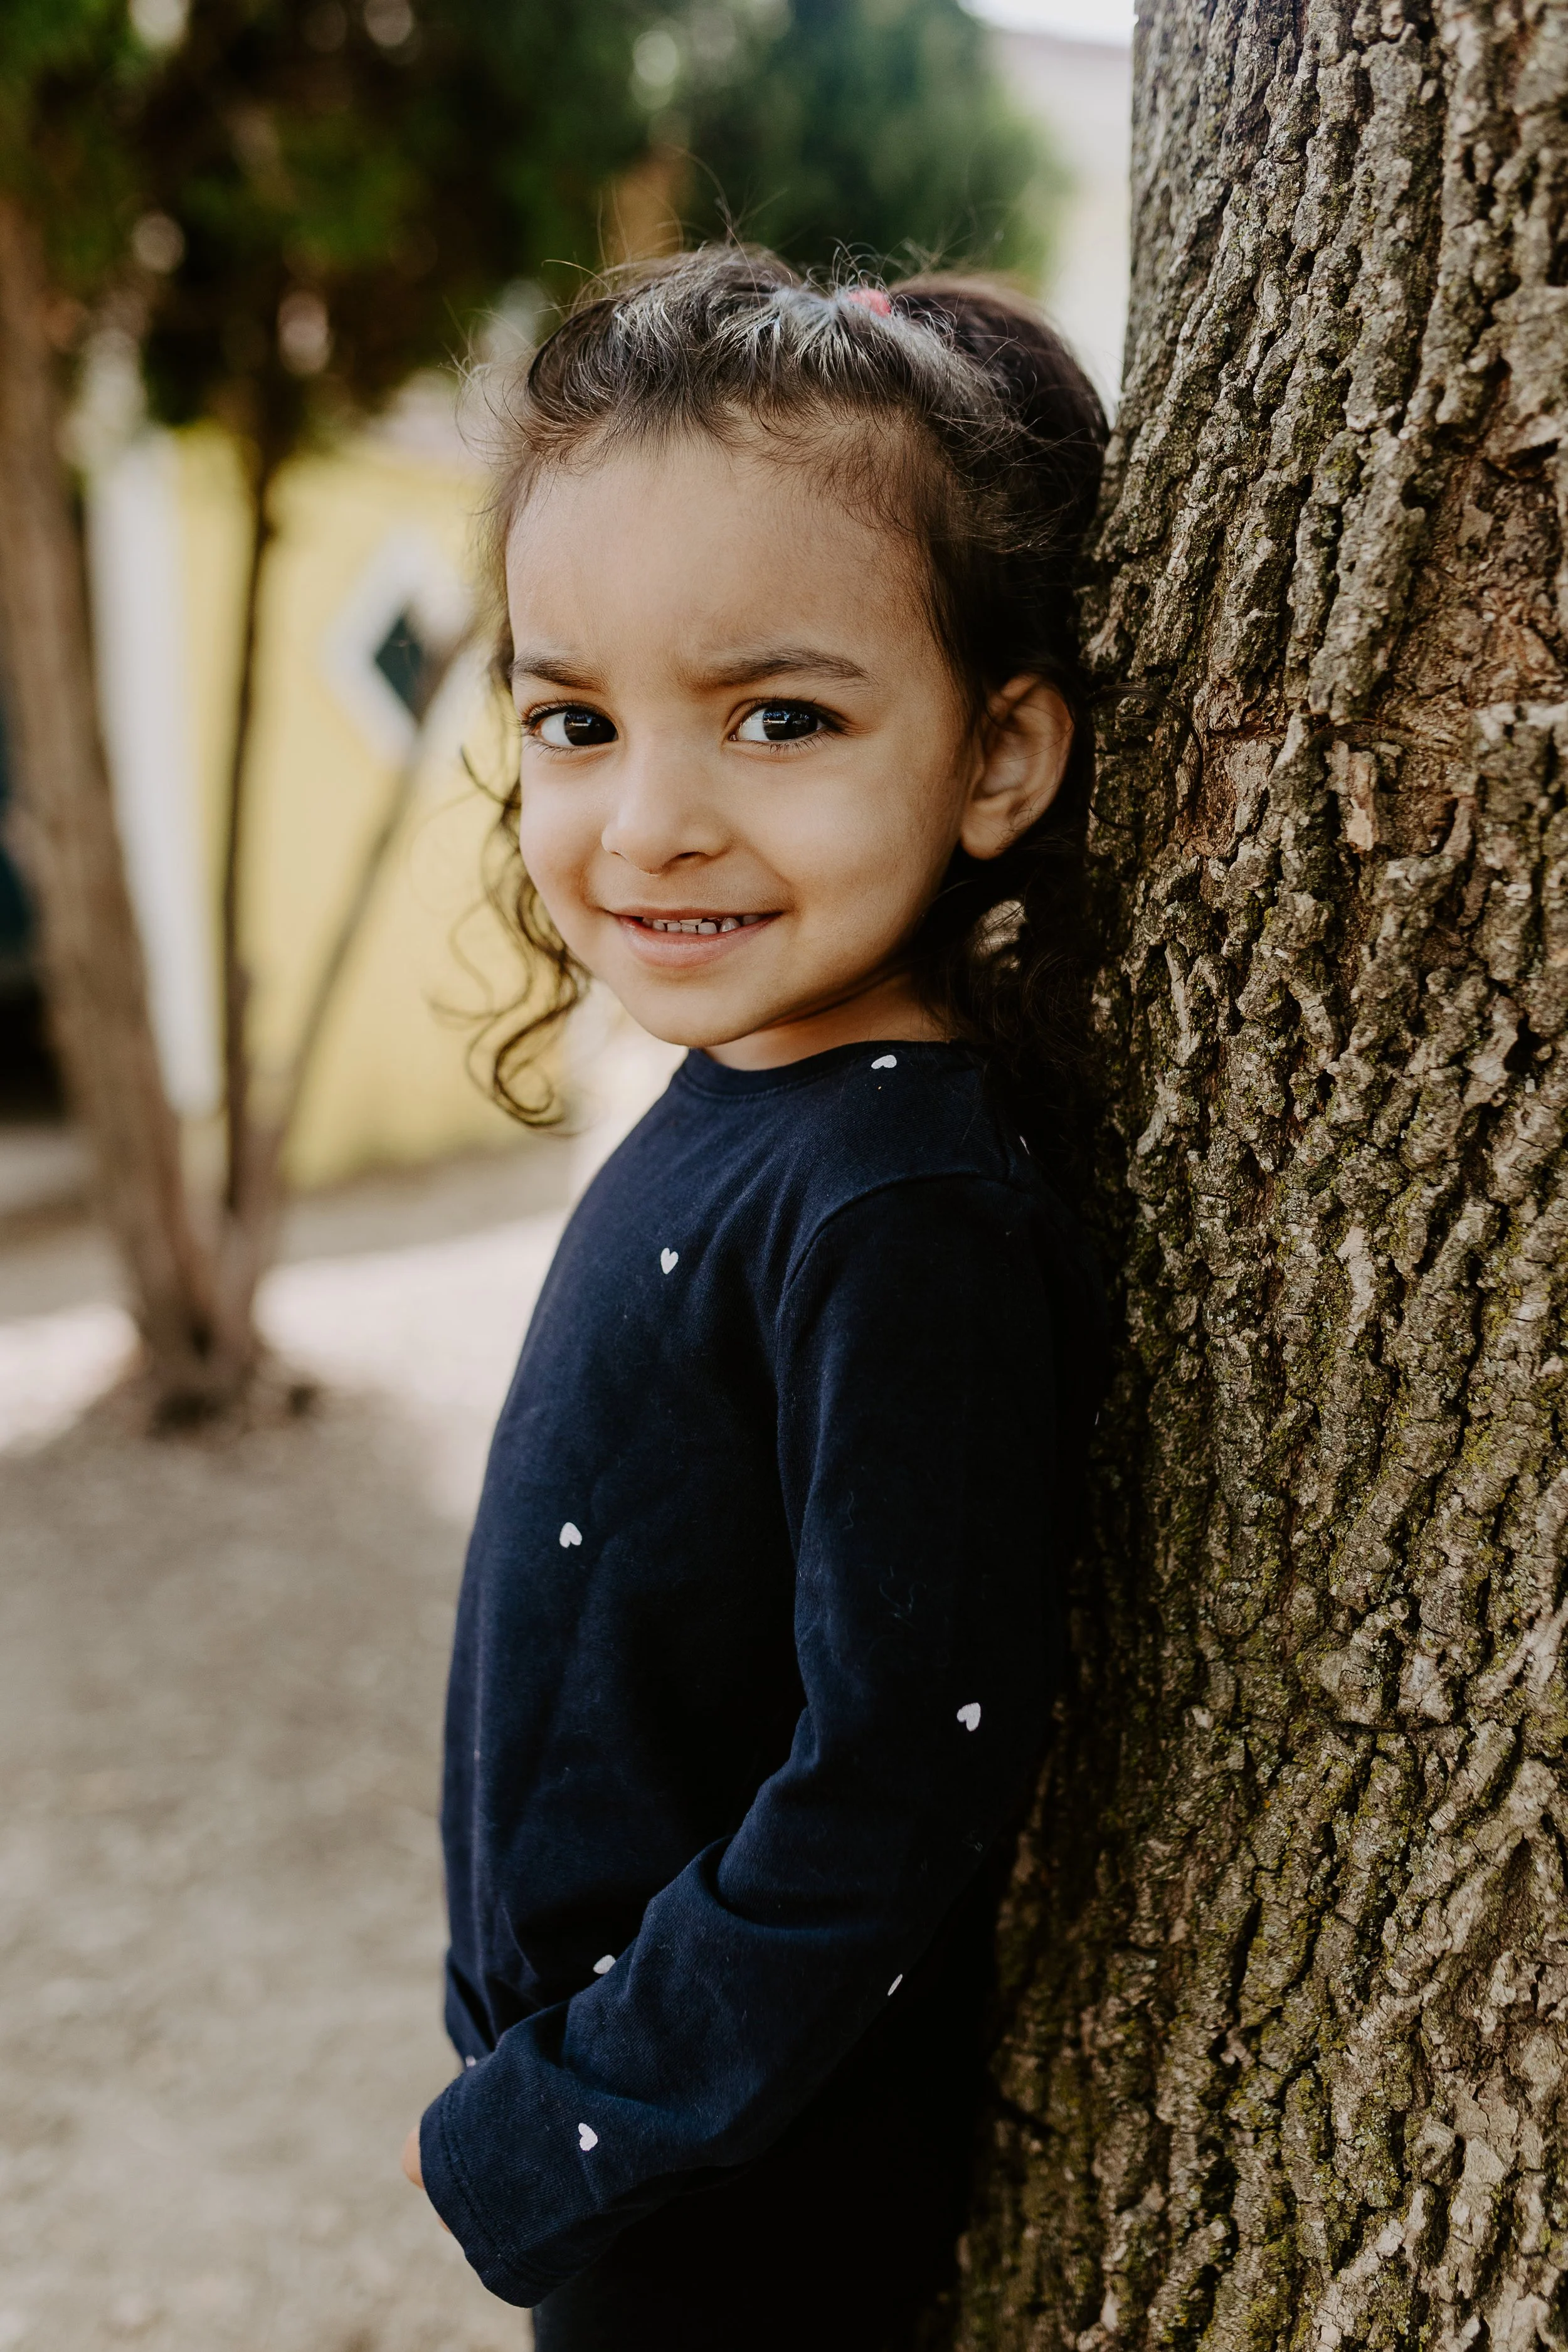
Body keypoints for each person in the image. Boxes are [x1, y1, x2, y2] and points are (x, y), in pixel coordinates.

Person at [401, 243, 1109, 2351]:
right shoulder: (747, 1092)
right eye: (576, 719)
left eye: (777, 715)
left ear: (996, 759)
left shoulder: (901, 1202)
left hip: (743, 2190)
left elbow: (902, 1774)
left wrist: (574, 2121)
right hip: (655, 2137)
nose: (649, 819)